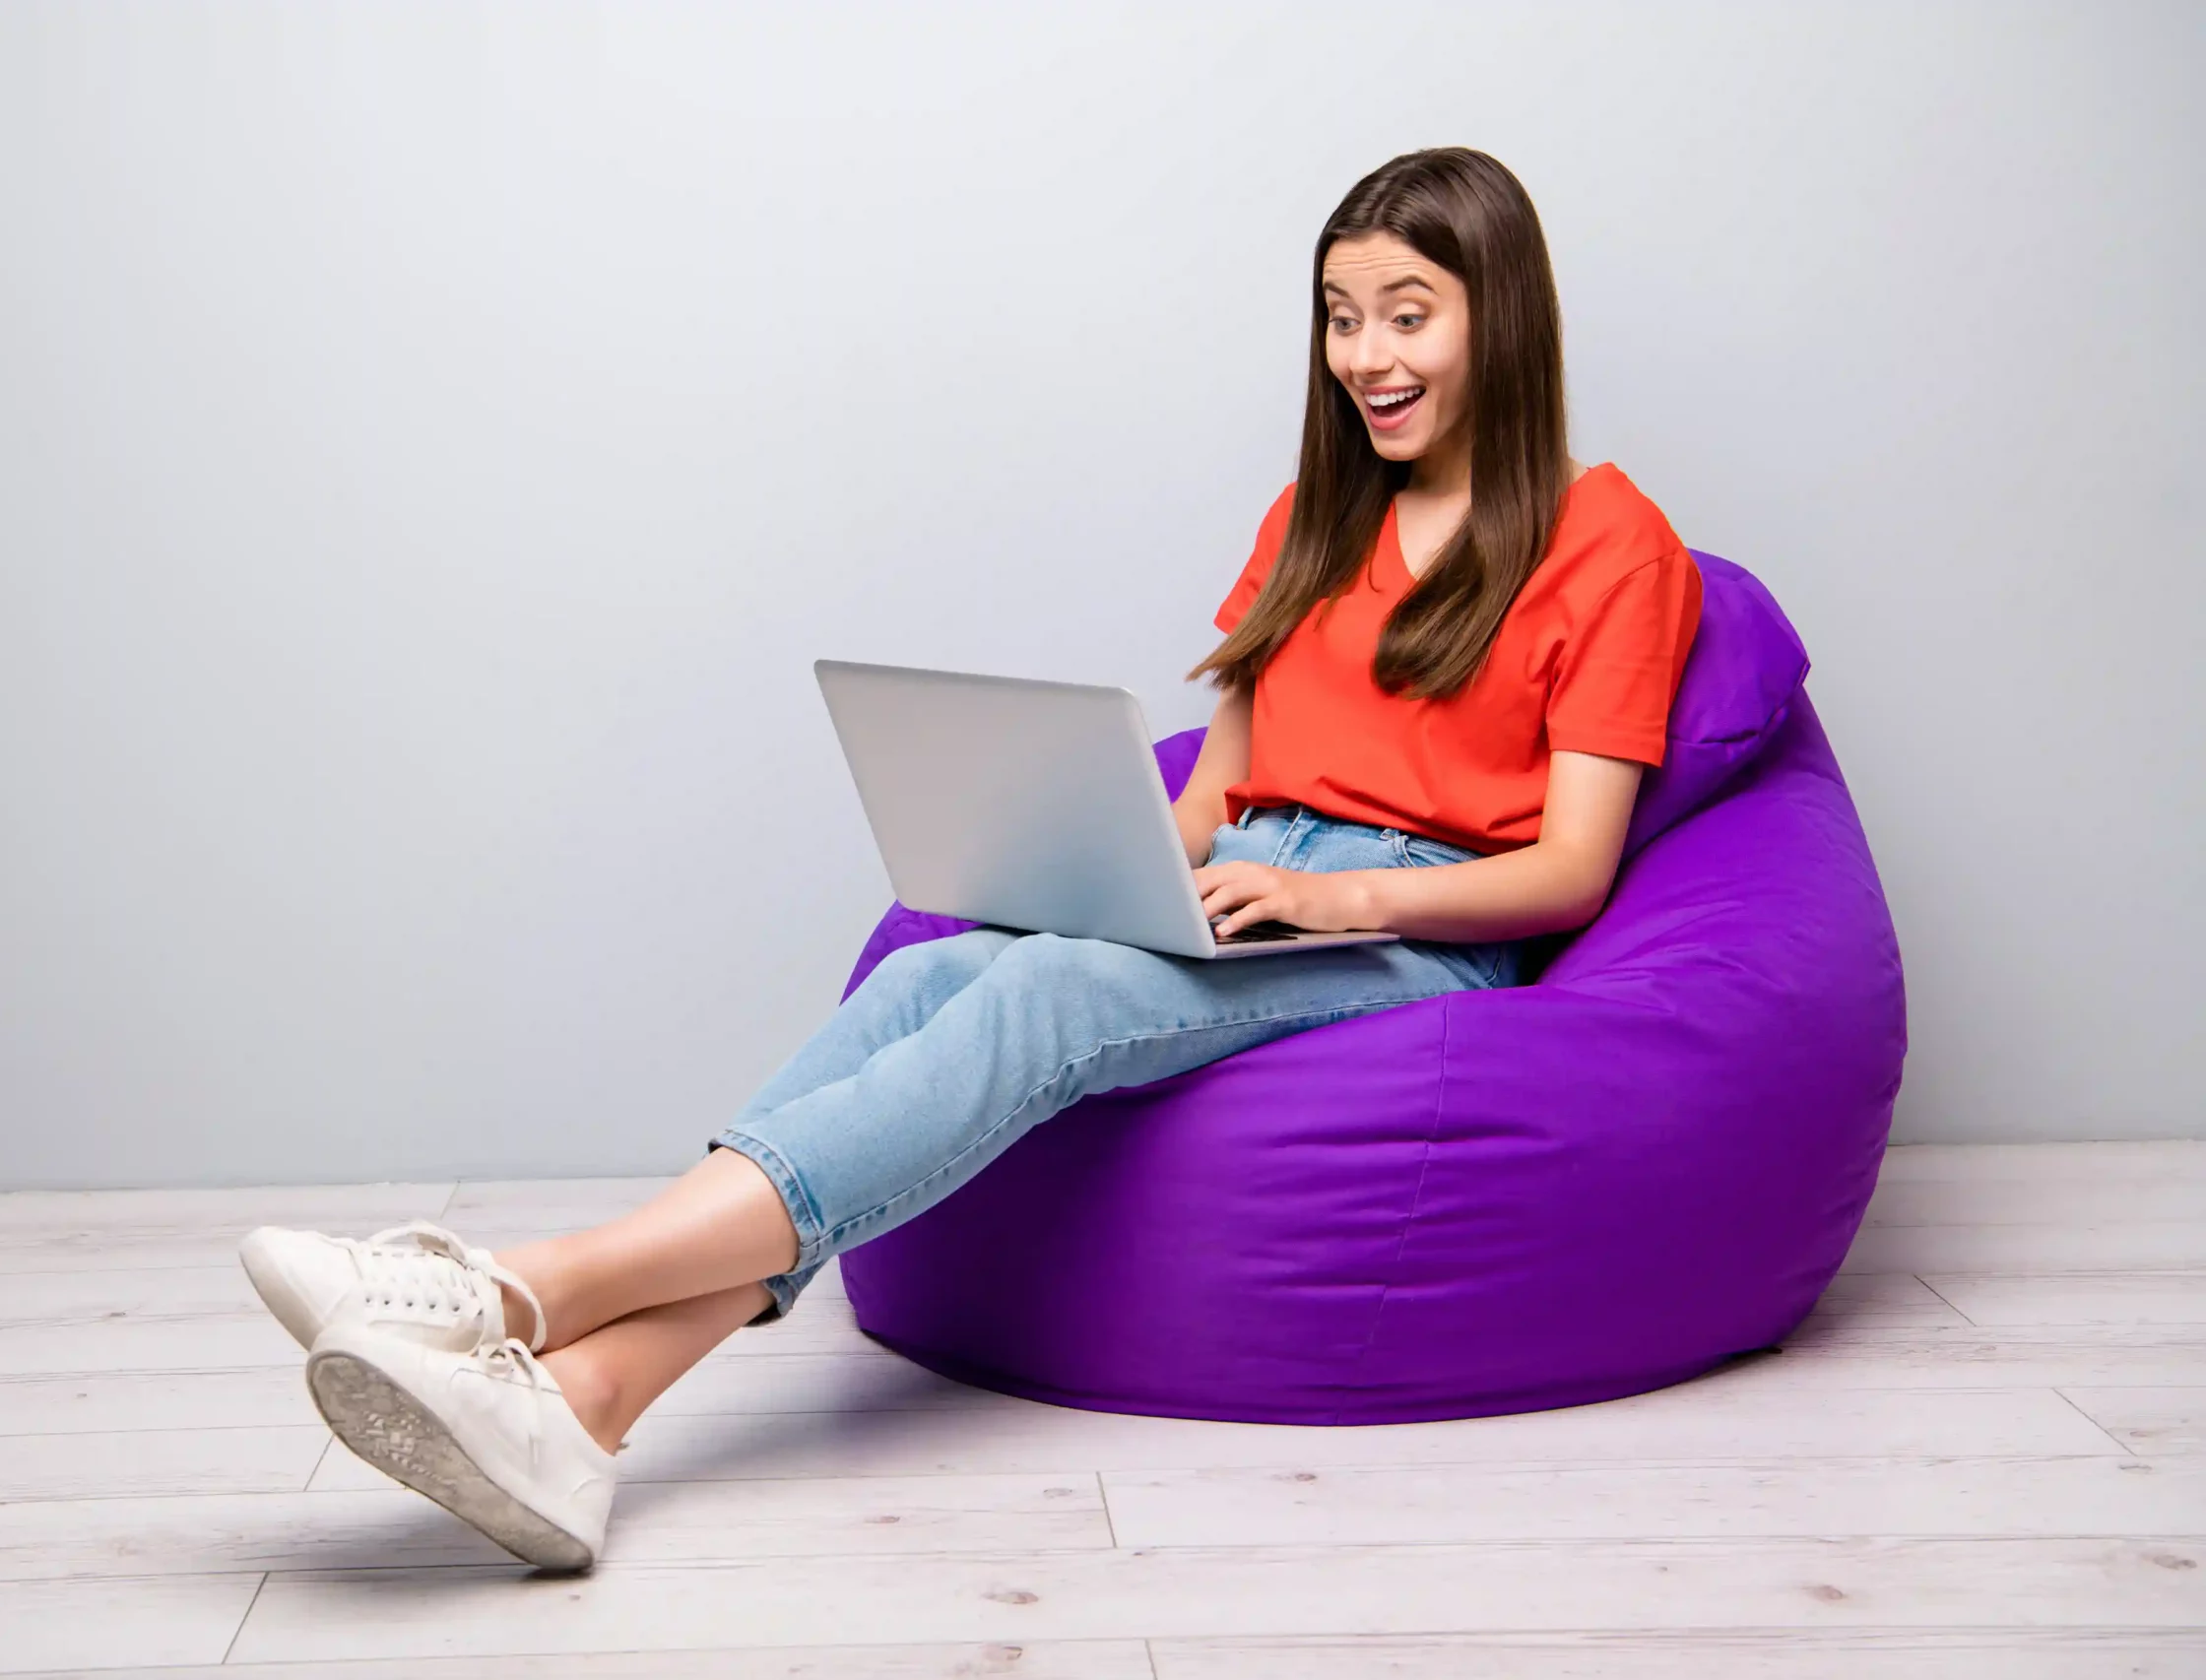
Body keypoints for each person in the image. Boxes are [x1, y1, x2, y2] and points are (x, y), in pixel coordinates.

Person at [237, 146, 1703, 1572]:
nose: (1364, 356)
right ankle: (582, 1412)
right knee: (938, 971)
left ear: (1498, 316)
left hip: (1411, 930)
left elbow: (1572, 870)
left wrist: (1337, 894)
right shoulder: (1317, 518)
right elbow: (1223, 793)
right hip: (1252, 887)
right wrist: (1092, 866)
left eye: (1406, 313)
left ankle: (516, 1289)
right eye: (1338, 316)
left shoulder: (1612, 542)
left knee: (1046, 1001)